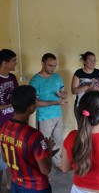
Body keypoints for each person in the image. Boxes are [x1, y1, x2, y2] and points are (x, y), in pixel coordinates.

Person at [0, 85, 57, 193]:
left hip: (15, 184)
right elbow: (46, 170)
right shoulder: (34, 135)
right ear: (31, 107)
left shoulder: (4, 128)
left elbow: (5, 158)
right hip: (36, 187)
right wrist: (48, 151)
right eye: (36, 101)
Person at [29, 53, 68, 170]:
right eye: (50, 66)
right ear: (42, 64)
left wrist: (63, 95)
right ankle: (43, 167)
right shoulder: (35, 81)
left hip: (58, 114)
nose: (53, 68)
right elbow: (35, 102)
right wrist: (54, 102)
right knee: (44, 144)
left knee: (58, 140)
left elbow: (64, 93)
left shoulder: (57, 77)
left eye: (55, 66)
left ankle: (58, 162)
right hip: (44, 117)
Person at [71, 51, 99, 127]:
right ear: (84, 61)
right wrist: (87, 86)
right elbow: (74, 91)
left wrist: (97, 88)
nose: (93, 62)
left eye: (94, 60)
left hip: (95, 105)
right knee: (82, 128)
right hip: (81, 105)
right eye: (90, 60)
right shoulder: (78, 73)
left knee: (93, 129)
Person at [0, 49, 18, 191]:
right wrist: (12, 104)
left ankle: (9, 183)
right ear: (4, 63)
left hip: (12, 124)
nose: (15, 64)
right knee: (1, 159)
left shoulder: (12, 77)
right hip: (1, 125)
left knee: (12, 156)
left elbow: (17, 96)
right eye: (14, 61)